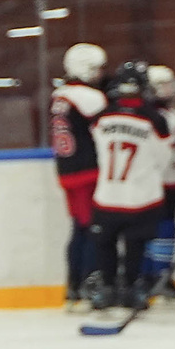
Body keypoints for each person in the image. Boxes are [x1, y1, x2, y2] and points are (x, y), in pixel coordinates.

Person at [89, 62, 175, 311]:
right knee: (135, 245)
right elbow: (163, 160)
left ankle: (107, 288)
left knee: (105, 243)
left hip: (107, 194)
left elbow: (97, 148)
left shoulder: (101, 116)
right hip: (142, 197)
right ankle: (131, 288)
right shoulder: (155, 119)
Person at [49, 43, 109, 310]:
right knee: (92, 229)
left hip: (67, 171)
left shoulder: (60, 95)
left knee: (79, 228)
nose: (100, 74)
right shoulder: (89, 97)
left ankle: (74, 287)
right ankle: (87, 285)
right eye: (96, 69)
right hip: (88, 172)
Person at [146, 64, 175, 301]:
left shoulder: (172, 115)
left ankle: (161, 274)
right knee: (157, 228)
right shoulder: (153, 117)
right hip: (157, 181)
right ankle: (154, 274)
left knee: (168, 228)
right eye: (163, 85)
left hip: (173, 181)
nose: (170, 89)